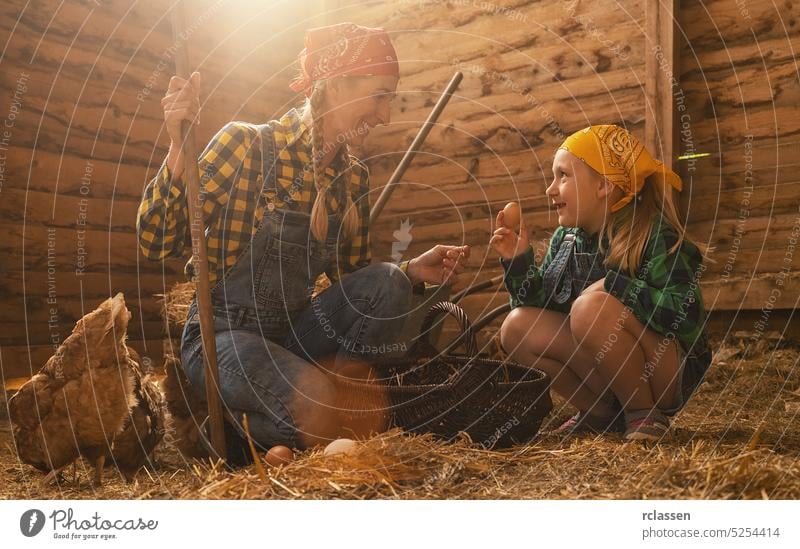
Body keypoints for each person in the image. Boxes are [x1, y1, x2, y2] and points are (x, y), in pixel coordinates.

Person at [137, 23, 470, 451]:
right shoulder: (246, 147)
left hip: (292, 334)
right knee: (317, 404)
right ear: (337, 85)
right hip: (221, 337)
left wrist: (409, 271)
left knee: (389, 282)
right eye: (380, 94)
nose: (385, 115)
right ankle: (219, 434)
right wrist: (177, 147)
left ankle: (322, 416)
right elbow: (155, 241)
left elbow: (356, 288)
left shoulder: (353, 180)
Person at [491, 125, 711, 441]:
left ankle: (644, 413)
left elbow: (685, 315)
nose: (550, 189)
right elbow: (543, 313)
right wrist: (518, 262)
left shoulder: (654, 236)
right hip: (609, 369)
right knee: (516, 327)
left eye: (563, 176)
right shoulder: (565, 240)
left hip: (665, 372)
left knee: (590, 305)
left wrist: (614, 288)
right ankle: (598, 412)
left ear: (604, 186)